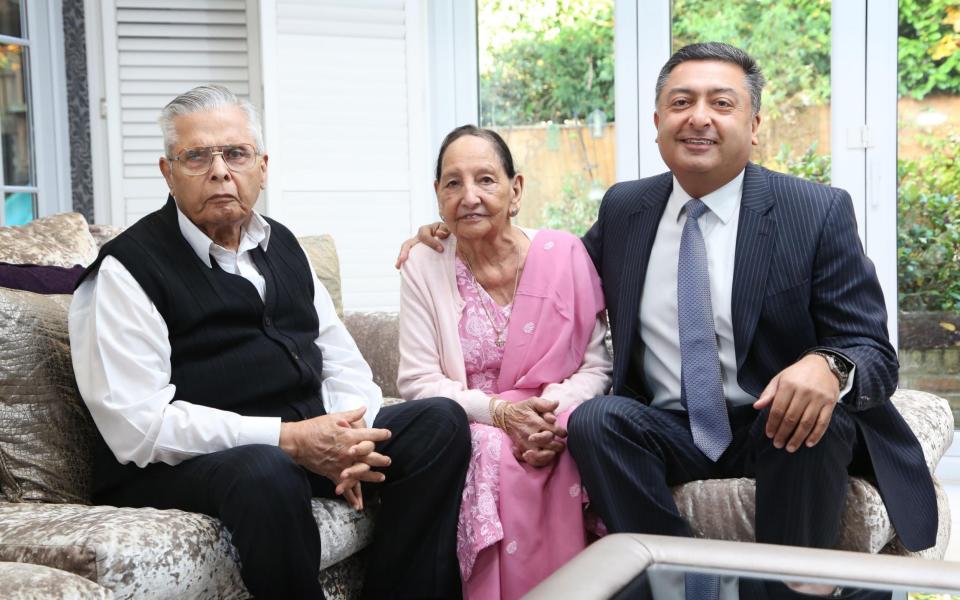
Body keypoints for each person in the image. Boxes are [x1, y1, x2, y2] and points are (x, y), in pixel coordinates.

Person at [398, 43, 937, 598]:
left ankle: (787, 592)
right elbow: (553, 274)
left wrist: (829, 365)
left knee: (806, 422)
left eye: (721, 103)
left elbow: (873, 350)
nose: (698, 116)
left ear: (754, 126)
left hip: (772, 419)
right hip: (667, 425)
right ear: (658, 124)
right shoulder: (625, 210)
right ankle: (679, 584)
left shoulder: (814, 211)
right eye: (681, 102)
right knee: (596, 421)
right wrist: (456, 236)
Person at [69, 84, 471, 600]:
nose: (219, 170)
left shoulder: (282, 245)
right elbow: (139, 427)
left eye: (235, 154)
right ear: (167, 172)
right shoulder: (127, 270)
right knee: (266, 469)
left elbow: (342, 362)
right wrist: (288, 438)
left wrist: (350, 437)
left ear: (261, 166)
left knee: (438, 423)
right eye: (197, 156)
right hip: (180, 467)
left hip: (295, 446)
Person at [397, 125, 612, 600]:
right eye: (453, 183)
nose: (469, 196)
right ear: (437, 196)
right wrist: (498, 413)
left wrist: (550, 413)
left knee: (583, 436)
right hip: (475, 424)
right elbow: (417, 380)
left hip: (558, 417)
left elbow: (597, 366)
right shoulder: (422, 264)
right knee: (491, 451)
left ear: (515, 190)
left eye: (486, 180)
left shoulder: (565, 253)